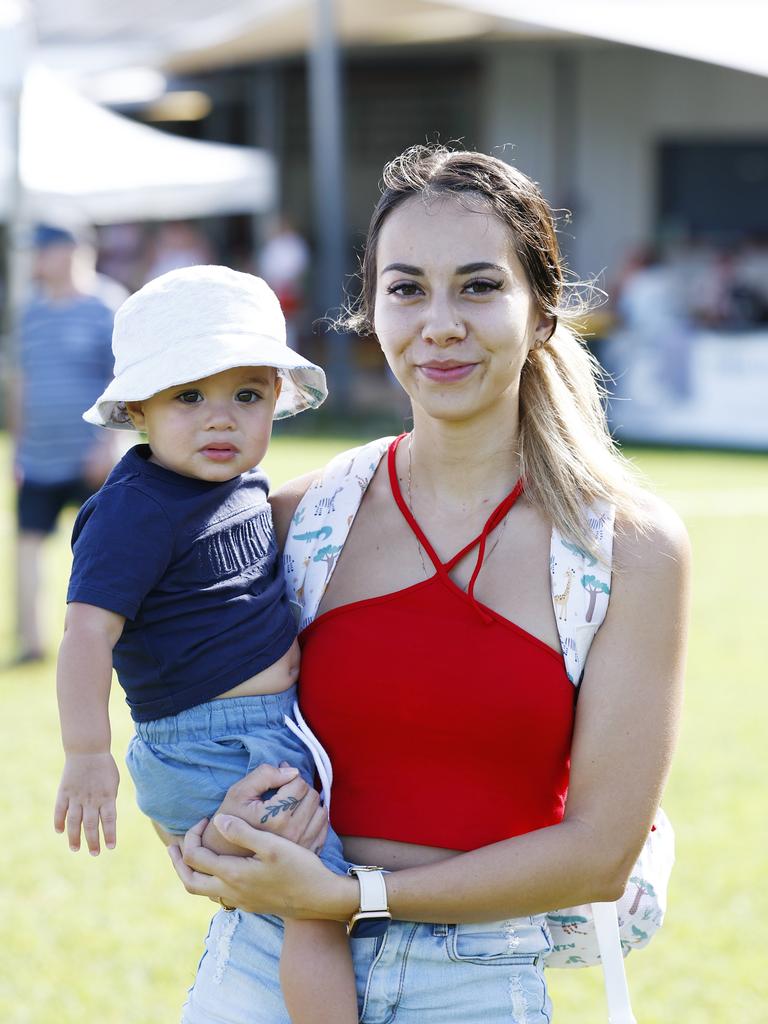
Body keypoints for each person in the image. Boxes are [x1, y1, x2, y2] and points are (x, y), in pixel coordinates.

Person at [169, 146, 690, 1023]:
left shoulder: (628, 549)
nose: (440, 323)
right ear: (371, 313)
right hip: (271, 964)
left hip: (476, 982)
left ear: (542, 315)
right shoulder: (296, 520)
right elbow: (191, 728)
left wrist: (353, 897)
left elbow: (601, 852)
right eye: (407, 289)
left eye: (479, 287)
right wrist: (195, 837)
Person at [53, 266, 359, 1023]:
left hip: (264, 733)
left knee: (291, 900)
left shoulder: (237, 486)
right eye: (190, 396)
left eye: (247, 396)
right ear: (138, 409)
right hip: (212, 745)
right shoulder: (135, 510)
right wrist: (87, 753)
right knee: (316, 906)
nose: (221, 419)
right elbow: (87, 631)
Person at [10, 224, 124, 663]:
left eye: (42, 252)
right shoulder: (31, 313)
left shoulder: (105, 305)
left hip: (88, 455)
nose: (36, 261)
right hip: (38, 454)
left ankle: (105, 640)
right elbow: (22, 380)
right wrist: (16, 448)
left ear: (70, 252)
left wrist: (106, 444)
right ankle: (32, 643)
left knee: (101, 550)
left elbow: (122, 381)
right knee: (27, 544)